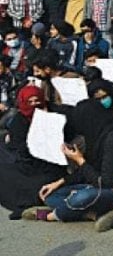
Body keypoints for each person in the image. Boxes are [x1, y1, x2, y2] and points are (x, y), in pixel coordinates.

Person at [22, 99, 113, 232]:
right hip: (98, 186)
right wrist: (59, 182)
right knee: (51, 195)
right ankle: (92, 214)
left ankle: (52, 215)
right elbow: (89, 170)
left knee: (81, 198)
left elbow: (106, 183)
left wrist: (80, 160)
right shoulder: (98, 136)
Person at [0, 85, 65, 219]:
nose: (34, 105)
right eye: (30, 102)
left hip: (49, 166)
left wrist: (45, 121)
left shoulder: (53, 115)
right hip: (27, 163)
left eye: (37, 101)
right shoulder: (19, 120)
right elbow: (19, 148)